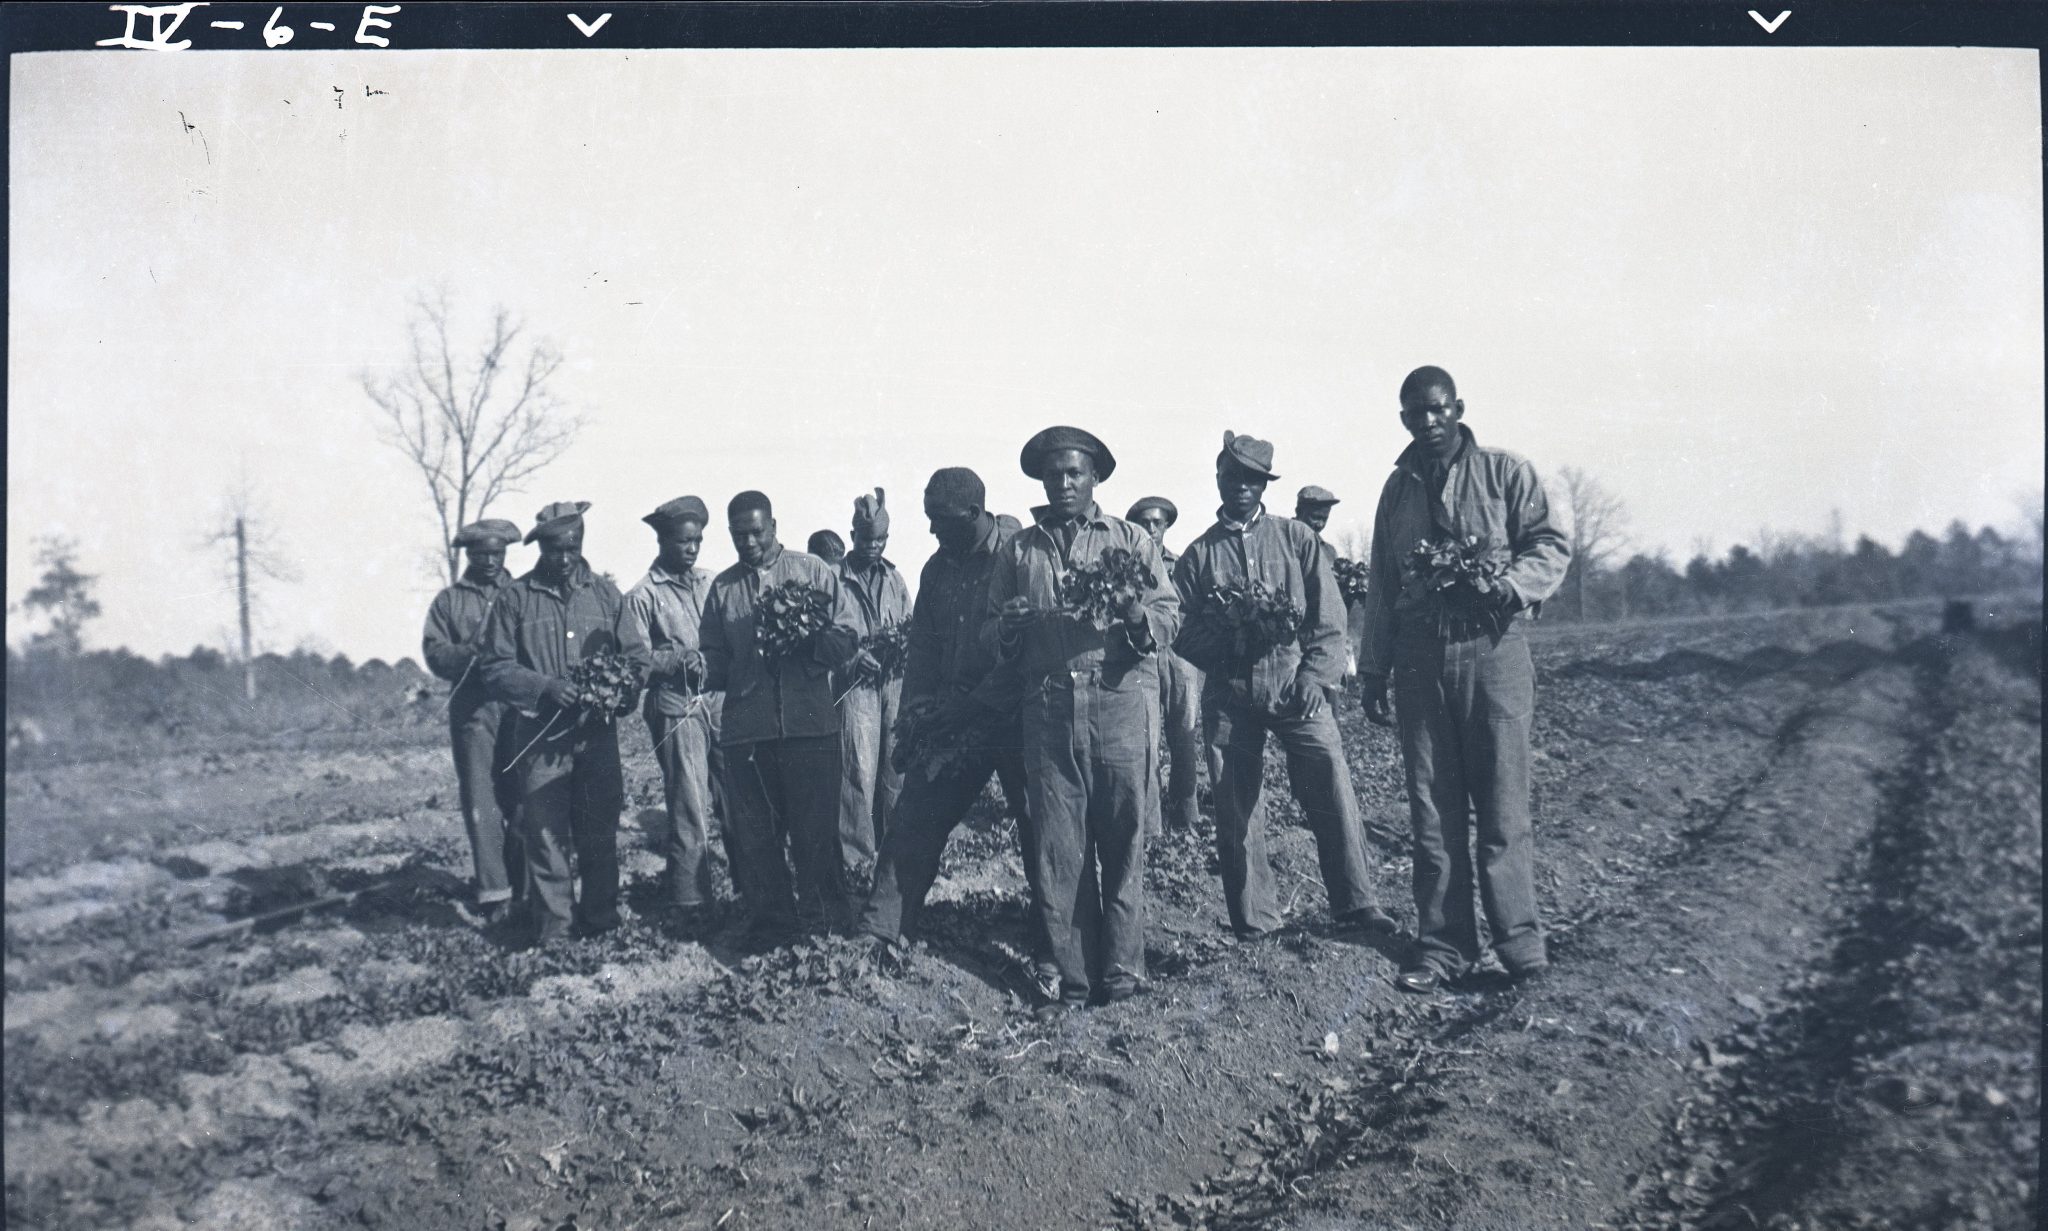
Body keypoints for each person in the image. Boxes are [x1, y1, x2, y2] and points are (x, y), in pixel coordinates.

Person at [1357, 366, 1570, 992]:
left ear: (1457, 409)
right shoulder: (1397, 490)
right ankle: (1444, 945)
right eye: (1414, 413)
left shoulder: (1506, 472)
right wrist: (1374, 668)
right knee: (1432, 808)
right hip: (1421, 659)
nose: (1427, 422)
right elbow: (1382, 582)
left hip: (1492, 648)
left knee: (1503, 802)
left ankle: (1519, 942)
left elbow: (1550, 544)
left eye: (1437, 410)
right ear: (1402, 419)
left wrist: (1507, 586)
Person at [985, 427, 1179, 1010]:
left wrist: (1136, 613)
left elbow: (1170, 617)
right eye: (1053, 474)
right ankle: (1074, 979)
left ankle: (1121, 972)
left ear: (1095, 477)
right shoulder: (1020, 550)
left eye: (1074, 473)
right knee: (1058, 846)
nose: (1063, 483)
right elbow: (991, 632)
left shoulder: (1130, 541)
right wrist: (1008, 628)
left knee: (1122, 838)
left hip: (1117, 699)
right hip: (1047, 706)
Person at [1173, 434, 1395, 940]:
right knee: (1235, 805)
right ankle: (1255, 922)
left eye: (1253, 479)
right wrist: (1220, 645)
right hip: (1230, 694)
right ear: (1219, 480)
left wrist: (1317, 676)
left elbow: (1329, 615)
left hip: (1296, 684)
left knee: (1330, 779)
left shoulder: (1295, 539)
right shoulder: (1199, 554)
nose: (1243, 488)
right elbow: (1178, 626)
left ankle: (1357, 904)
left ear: (1264, 485)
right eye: (1234, 477)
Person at [862, 468, 1049, 990]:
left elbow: (1021, 654)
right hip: (953, 716)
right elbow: (923, 646)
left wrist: (968, 708)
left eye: (939, 522)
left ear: (972, 515)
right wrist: (917, 713)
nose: (931, 533)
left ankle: (1054, 943)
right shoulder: (936, 568)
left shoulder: (1018, 554)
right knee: (916, 813)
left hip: (1015, 714)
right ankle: (881, 930)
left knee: (1041, 826)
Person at [477, 501, 648, 946]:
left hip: (596, 737)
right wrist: (544, 687)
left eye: (572, 548)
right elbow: (494, 667)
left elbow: (635, 659)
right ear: (539, 548)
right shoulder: (516, 598)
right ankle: (555, 932)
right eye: (555, 550)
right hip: (539, 738)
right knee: (546, 837)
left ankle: (600, 921)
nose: (565, 558)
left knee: (598, 832)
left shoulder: (607, 596)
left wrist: (622, 690)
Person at [700, 491, 863, 941]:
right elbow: (715, 656)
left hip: (810, 727)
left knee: (816, 835)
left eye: (756, 532)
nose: (748, 542)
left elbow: (848, 637)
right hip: (747, 733)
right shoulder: (724, 588)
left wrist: (810, 642)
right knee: (757, 839)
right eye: (738, 535)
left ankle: (826, 924)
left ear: (773, 526)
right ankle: (773, 928)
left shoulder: (812, 571)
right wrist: (697, 668)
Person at [622, 496, 728, 935]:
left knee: (741, 797)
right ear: (664, 540)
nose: (692, 549)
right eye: (684, 541)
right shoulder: (642, 596)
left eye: (698, 540)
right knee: (689, 803)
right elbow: (634, 662)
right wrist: (675, 660)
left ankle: (752, 890)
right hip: (676, 706)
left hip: (720, 701)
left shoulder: (713, 583)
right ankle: (690, 901)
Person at [421, 518, 525, 923]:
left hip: (518, 706)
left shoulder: (520, 593)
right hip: (474, 710)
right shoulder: (449, 602)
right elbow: (434, 653)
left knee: (523, 796)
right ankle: (495, 893)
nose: (491, 561)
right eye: (482, 554)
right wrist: (471, 654)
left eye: (497, 554)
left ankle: (525, 884)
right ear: (468, 555)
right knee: (481, 797)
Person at [836, 489, 912, 877]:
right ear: (853, 537)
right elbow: (825, 636)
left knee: (895, 769)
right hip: (857, 689)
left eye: (880, 540)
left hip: (894, 684)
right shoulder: (835, 579)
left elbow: (911, 625)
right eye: (867, 540)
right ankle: (857, 862)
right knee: (858, 772)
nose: (874, 547)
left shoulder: (895, 578)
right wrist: (851, 658)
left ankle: (894, 856)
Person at [1126, 496, 1210, 835]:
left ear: (1166, 526)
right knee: (1147, 736)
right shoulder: (1129, 565)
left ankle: (1186, 812)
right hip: (1143, 655)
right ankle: (1151, 823)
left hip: (1180, 656)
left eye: (1157, 523)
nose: (1151, 528)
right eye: (1144, 522)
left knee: (1184, 734)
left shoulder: (1182, 563)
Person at [1294, 485, 1363, 680]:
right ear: (1299, 511)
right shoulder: (1284, 544)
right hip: (1294, 641)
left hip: (1325, 640)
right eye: (1314, 517)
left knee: (1327, 702)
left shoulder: (1329, 553)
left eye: (1324, 519)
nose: (1318, 524)